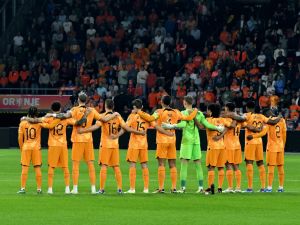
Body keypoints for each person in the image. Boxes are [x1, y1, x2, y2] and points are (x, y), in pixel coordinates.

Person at [52, 91, 119, 194]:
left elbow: (64, 116)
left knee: (75, 164)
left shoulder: (74, 110)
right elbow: (104, 119)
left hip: (77, 139)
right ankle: (93, 188)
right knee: (90, 164)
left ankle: (75, 188)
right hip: (88, 140)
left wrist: (52, 115)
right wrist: (114, 114)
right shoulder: (92, 110)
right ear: (86, 100)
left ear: (78, 100)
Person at [78, 99, 145, 194]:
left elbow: (95, 127)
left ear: (105, 105)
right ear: (113, 106)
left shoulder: (103, 116)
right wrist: (140, 132)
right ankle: (120, 188)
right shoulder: (118, 116)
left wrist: (83, 131)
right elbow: (126, 128)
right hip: (115, 145)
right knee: (116, 166)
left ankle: (101, 189)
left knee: (104, 166)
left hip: (105, 145)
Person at [137, 95, 198, 193]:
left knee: (161, 164)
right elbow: (189, 118)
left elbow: (150, 118)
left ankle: (161, 188)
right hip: (172, 140)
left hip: (162, 140)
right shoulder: (176, 112)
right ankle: (173, 188)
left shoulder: (159, 112)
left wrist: (139, 112)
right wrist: (195, 110)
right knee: (172, 164)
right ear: (170, 102)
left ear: (161, 102)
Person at [162, 96, 224, 193]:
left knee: (184, 163)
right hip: (196, 141)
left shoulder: (183, 113)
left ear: (185, 103)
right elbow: (206, 125)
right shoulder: (199, 113)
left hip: (187, 140)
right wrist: (217, 128)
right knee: (198, 164)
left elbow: (183, 125)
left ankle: (182, 188)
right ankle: (200, 187)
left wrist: (171, 126)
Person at [22, 102, 85, 194]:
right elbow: (79, 123)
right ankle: (67, 189)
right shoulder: (66, 118)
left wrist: (25, 118)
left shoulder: (48, 118)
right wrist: (85, 115)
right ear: (60, 109)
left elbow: (35, 121)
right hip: (63, 144)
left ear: (51, 109)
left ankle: (50, 189)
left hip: (52, 145)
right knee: (65, 166)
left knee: (51, 167)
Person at [226, 101, 281, 192]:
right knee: (260, 163)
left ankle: (250, 188)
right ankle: (263, 187)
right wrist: (279, 117)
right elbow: (273, 122)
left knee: (249, 162)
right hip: (259, 142)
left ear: (247, 108)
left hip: (250, 141)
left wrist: (231, 114)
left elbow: (239, 118)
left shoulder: (247, 115)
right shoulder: (261, 116)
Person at [17, 106, 60, 194]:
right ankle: (39, 189)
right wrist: (56, 120)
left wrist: (22, 149)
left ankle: (22, 188)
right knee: (37, 167)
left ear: (28, 113)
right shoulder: (39, 122)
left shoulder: (22, 123)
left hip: (26, 147)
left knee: (25, 168)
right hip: (36, 148)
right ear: (36, 114)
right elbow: (49, 126)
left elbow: (20, 138)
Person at [247, 109, 286, 192]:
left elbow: (263, 133)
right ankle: (281, 187)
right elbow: (284, 134)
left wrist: (253, 136)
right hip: (280, 146)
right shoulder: (282, 120)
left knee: (271, 167)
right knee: (280, 167)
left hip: (272, 147)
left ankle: (269, 187)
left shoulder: (268, 121)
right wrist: (283, 145)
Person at [124, 99, 155, 193]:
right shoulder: (147, 116)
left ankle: (132, 188)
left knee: (132, 164)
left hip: (134, 144)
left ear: (134, 107)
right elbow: (154, 124)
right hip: (143, 144)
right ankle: (146, 188)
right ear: (142, 107)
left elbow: (126, 127)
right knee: (144, 165)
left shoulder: (132, 116)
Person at [204, 103, 233, 195]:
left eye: (208, 110)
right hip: (222, 146)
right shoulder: (222, 120)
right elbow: (231, 126)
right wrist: (221, 136)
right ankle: (220, 188)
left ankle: (210, 187)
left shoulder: (208, 120)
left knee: (211, 167)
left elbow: (201, 126)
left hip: (212, 146)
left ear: (211, 111)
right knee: (221, 167)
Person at [222, 103, 243, 193]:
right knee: (236, 166)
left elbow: (230, 126)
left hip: (228, 144)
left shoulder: (227, 119)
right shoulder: (240, 119)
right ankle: (238, 188)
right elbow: (244, 121)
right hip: (237, 144)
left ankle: (230, 187)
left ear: (227, 108)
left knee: (228, 164)